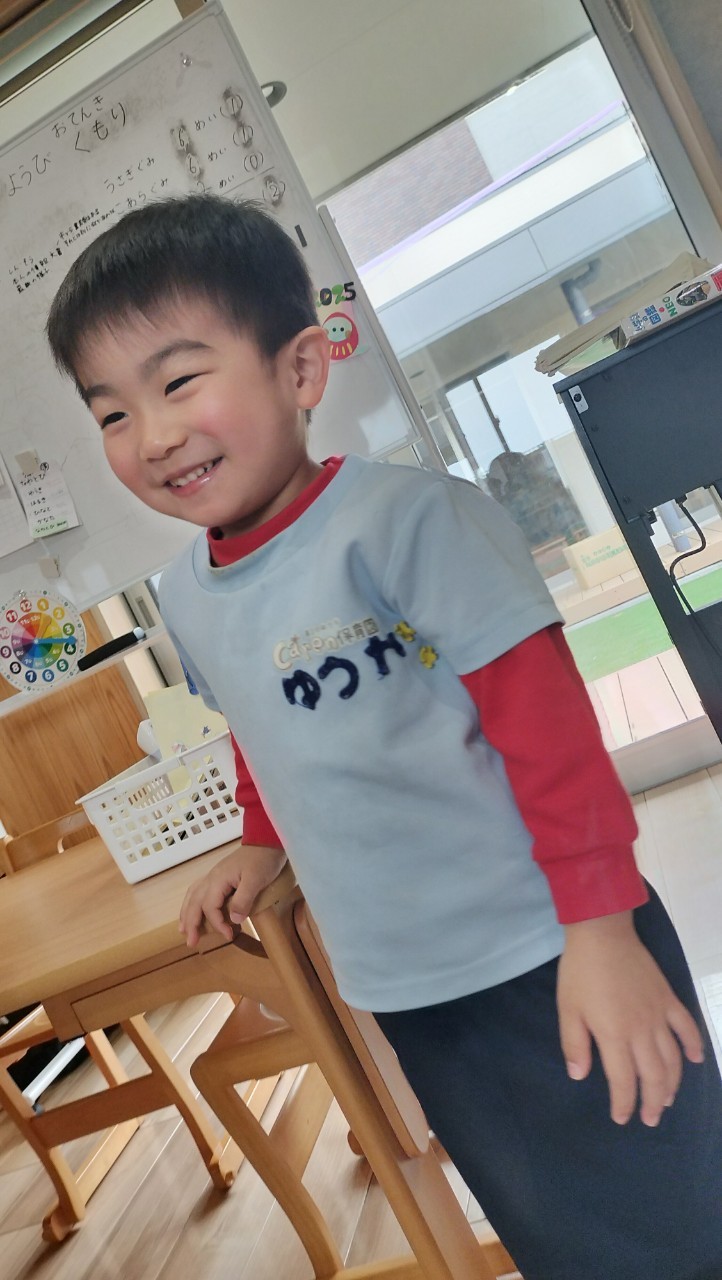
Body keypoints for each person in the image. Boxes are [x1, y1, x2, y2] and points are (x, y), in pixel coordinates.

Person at [46, 194, 722, 1280]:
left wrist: (602, 933)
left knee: (675, 1218)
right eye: (112, 413)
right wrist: (258, 840)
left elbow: (549, 733)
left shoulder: (412, 523)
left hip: (552, 946)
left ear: (300, 369)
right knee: (557, 1230)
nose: (153, 435)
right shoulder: (185, 593)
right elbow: (259, 723)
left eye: (177, 382)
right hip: (408, 987)